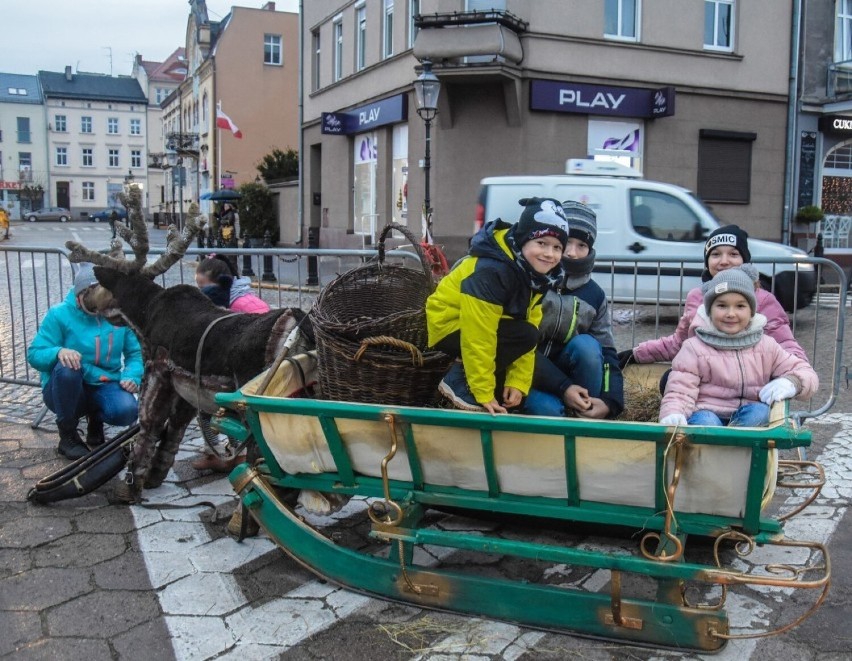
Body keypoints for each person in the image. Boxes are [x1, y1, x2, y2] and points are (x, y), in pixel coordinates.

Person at [427, 197, 569, 414]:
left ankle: (475, 383)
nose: (549, 254)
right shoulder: (493, 271)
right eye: (541, 243)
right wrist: (482, 392)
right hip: (448, 324)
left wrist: (518, 383)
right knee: (524, 335)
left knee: (528, 334)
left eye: (557, 247)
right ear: (523, 240)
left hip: (488, 326)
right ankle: (459, 377)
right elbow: (479, 334)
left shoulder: (533, 275)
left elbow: (529, 329)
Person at [620, 224, 807, 368]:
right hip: (705, 382)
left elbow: (786, 345)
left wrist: (795, 376)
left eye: (733, 254)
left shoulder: (763, 300)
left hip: (749, 386)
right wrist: (635, 354)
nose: (724, 261)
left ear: (745, 261)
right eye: (716, 254)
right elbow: (679, 343)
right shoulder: (697, 297)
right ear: (707, 261)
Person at [659, 268, 818, 427]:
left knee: (762, 412)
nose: (731, 313)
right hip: (707, 411)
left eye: (740, 306)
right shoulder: (694, 348)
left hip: (748, 413)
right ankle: (719, 448)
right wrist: (674, 412)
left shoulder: (766, 345)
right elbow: (680, 390)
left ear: (751, 312)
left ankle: (736, 445)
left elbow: (803, 369)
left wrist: (792, 381)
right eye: (721, 306)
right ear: (709, 310)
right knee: (706, 422)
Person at [27, 264, 143, 460]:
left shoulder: (117, 314)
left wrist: (132, 376)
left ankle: (95, 421)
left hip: (105, 383)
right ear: (81, 294)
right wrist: (58, 352)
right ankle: (68, 436)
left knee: (127, 411)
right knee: (67, 368)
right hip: (66, 389)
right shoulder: (59, 314)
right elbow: (35, 354)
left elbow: (135, 353)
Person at [524, 201, 624, 419]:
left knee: (587, 345)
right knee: (546, 410)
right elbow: (518, 347)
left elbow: (607, 353)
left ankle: (584, 413)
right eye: (567, 242)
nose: (572, 253)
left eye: (582, 245)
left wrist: (610, 401)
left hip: (571, 377)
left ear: (590, 250)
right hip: (529, 373)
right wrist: (563, 388)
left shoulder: (594, 295)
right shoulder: (531, 281)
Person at [192, 254, 269, 472]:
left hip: (244, 367)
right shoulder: (242, 297)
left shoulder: (235, 304)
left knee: (210, 407)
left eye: (203, 285)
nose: (200, 291)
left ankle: (222, 452)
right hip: (251, 365)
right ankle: (234, 451)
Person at [195, 253, 270, 313]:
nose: (201, 292)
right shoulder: (224, 301)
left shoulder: (240, 305)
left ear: (223, 282)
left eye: (203, 288)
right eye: (199, 287)